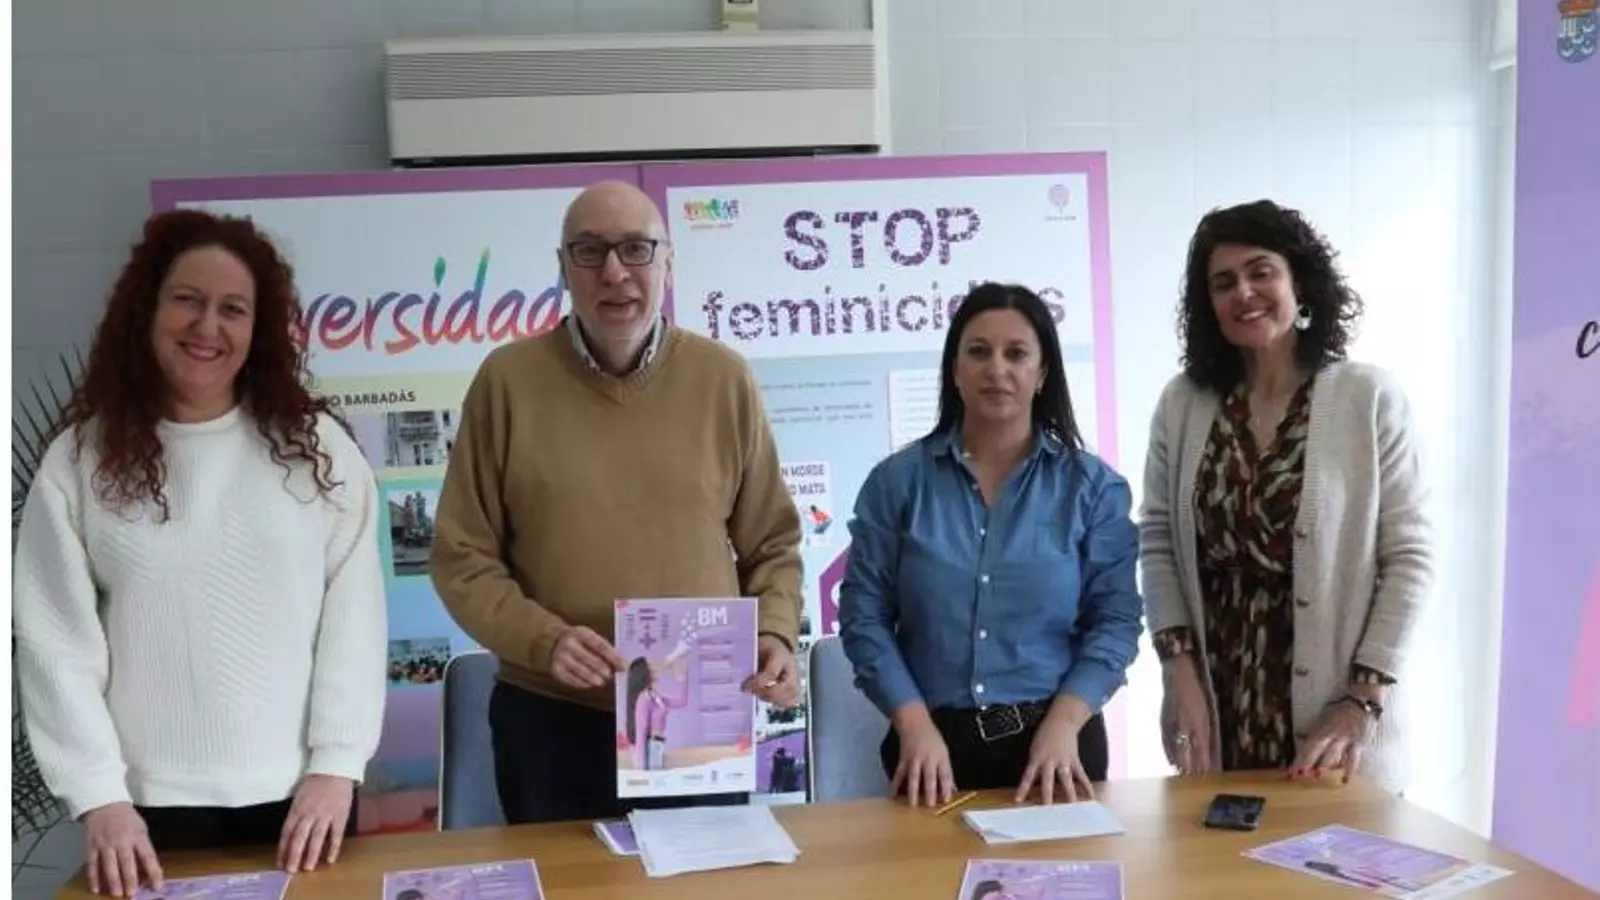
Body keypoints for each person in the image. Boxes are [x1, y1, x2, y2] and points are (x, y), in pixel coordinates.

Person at [12, 210, 386, 897]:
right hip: (144, 814)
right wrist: (98, 797)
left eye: (233, 309)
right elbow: (55, 642)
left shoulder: (316, 451)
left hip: (306, 804)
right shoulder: (79, 461)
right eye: (187, 299)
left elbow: (355, 621)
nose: (207, 326)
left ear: (258, 329)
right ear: (146, 310)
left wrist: (337, 766)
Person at [430, 179, 804, 824]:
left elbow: (772, 543)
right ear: (563, 267)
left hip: (695, 712)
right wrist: (544, 641)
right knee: (566, 878)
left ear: (668, 263)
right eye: (589, 250)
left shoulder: (723, 379)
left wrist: (772, 632)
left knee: (701, 876)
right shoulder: (506, 382)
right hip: (552, 713)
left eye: (636, 249)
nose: (614, 272)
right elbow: (462, 558)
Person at [1139, 199, 1433, 788]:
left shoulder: (1369, 398)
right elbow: (1158, 542)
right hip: (1218, 717)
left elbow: (1410, 560)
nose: (1243, 292)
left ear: (1300, 283)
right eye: (1223, 282)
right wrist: (1178, 670)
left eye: (1261, 272)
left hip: (1337, 730)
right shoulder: (1183, 403)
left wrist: (1362, 700)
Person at [838, 282, 1145, 809]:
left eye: (1016, 353)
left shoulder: (1092, 489)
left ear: (1042, 373)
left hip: (1058, 748)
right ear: (954, 370)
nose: (996, 369)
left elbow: (1115, 621)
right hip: (930, 751)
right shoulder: (897, 484)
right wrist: (912, 723)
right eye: (978, 352)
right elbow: (863, 615)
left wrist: (1065, 722)